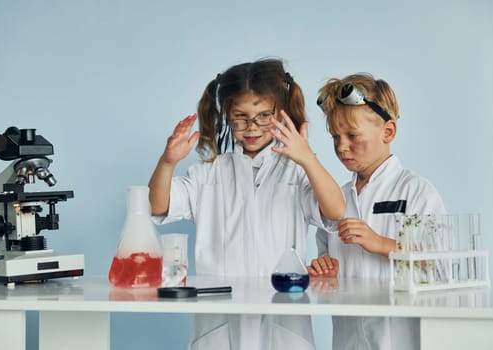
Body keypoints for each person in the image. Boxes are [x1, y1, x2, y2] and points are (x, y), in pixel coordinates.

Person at [148, 58, 345, 350]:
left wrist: (307, 157)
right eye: (240, 116)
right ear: (226, 114)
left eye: (263, 116)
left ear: (280, 114)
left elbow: (336, 210)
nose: (251, 127)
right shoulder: (209, 173)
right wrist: (167, 163)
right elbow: (157, 206)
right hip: (218, 320)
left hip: (283, 321)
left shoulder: (296, 171)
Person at [308, 73, 446, 350]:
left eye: (352, 135)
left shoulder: (417, 192)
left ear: (388, 132)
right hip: (347, 340)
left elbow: (441, 265)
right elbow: (326, 257)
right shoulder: (337, 198)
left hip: (401, 340)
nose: (341, 146)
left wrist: (381, 244)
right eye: (335, 136)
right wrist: (325, 272)